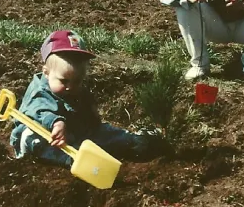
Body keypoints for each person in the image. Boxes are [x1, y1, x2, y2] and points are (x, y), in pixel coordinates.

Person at [10, 30, 165, 168]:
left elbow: (86, 107)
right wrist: (56, 123)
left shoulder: (74, 87)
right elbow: (40, 110)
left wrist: (92, 116)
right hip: (48, 136)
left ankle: (134, 140)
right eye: (64, 81)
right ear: (46, 73)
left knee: (104, 132)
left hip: (74, 133)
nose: (70, 87)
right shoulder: (39, 91)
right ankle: (68, 159)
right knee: (31, 138)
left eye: (77, 81)